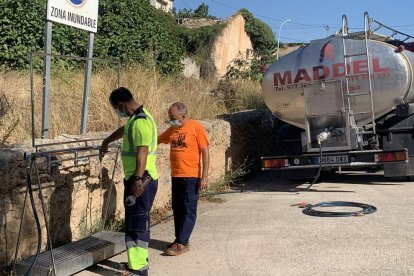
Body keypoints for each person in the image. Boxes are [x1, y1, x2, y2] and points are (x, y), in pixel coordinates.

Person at [101, 87, 158, 276]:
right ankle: (137, 262)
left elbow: (142, 151)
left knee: (138, 224)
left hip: (141, 182)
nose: (117, 112)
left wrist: (137, 180)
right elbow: (124, 130)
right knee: (136, 221)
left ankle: (139, 269)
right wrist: (107, 140)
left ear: (121, 105)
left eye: (115, 108)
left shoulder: (140, 122)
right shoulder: (139, 117)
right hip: (140, 180)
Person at [158, 102, 210, 256]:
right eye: (169, 117)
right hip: (176, 175)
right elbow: (159, 139)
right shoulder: (173, 128)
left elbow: (206, 153)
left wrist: (205, 176)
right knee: (178, 208)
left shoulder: (196, 128)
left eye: (173, 117)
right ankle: (179, 239)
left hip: (191, 175)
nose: (170, 120)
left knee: (188, 209)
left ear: (184, 116)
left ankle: (183, 243)